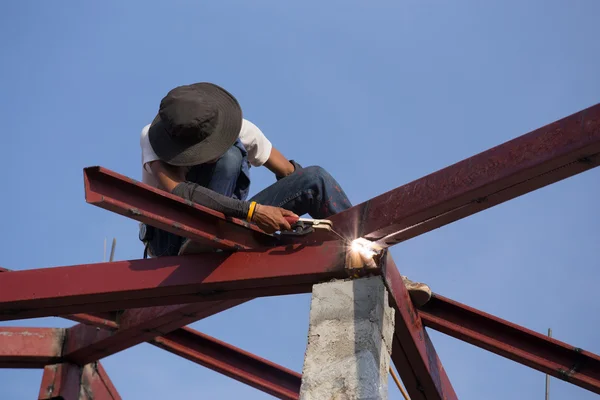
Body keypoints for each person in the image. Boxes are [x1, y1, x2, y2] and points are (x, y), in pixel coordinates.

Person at [138, 82, 432, 306]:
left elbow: (291, 175)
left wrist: (302, 207)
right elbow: (181, 192)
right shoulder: (152, 139)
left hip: (229, 221)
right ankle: (205, 237)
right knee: (229, 159)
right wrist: (253, 213)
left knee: (314, 178)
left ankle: (375, 261)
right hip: (174, 237)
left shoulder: (242, 130)